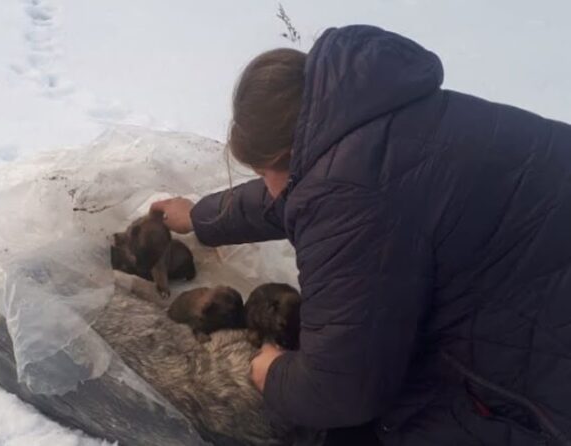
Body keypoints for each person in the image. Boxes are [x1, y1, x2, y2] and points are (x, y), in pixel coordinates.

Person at [151, 25, 571, 446]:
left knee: (362, 425)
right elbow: (304, 189)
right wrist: (201, 217)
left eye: (263, 172)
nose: (269, 186)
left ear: (285, 156)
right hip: (538, 274)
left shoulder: (352, 195)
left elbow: (340, 390)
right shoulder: (374, 115)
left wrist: (274, 374)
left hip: (547, 379)